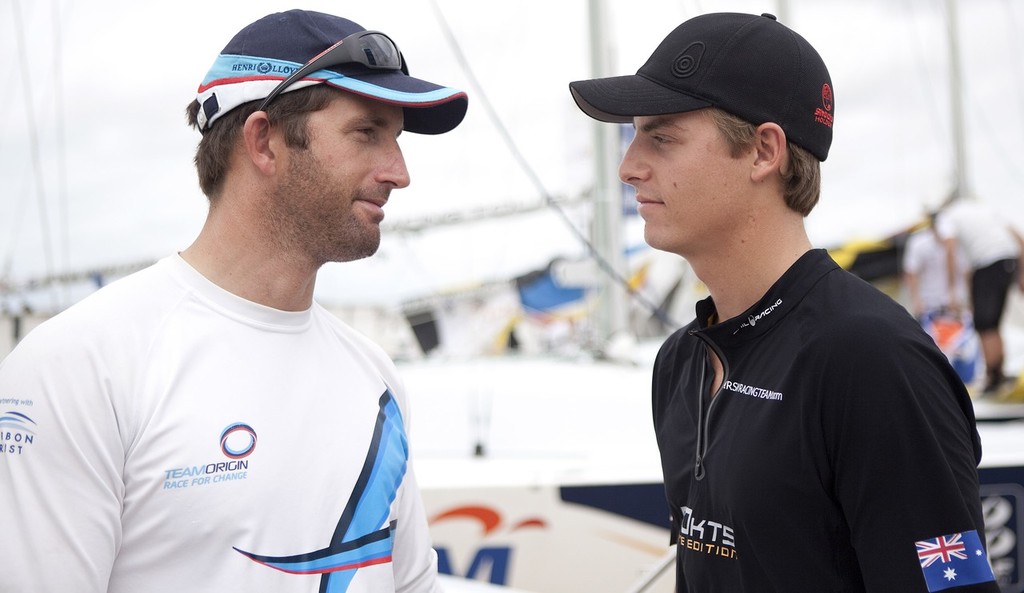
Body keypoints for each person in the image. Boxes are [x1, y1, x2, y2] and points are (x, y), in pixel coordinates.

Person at [0, 10, 467, 593]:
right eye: (367, 132)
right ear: (264, 142)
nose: (398, 173)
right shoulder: (78, 366)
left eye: (395, 140)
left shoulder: (373, 375)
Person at [569, 12, 998, 592]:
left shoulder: (870, 361)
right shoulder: (681, 363)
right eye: (633, 136)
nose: (628, 167)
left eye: (661, 137)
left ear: (763, 151)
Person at [934, 196, 1024, 394]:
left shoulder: (946, 216)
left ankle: (994, 379)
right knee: (993, 321)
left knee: (984, 324)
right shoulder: (983, 209)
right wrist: (1022, 273)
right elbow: (1018, 237)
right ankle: (1000, 373)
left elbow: (949, 250)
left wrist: (950, 289)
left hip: (987, 263)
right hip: (1009, 259)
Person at [902, 213, 979, 384]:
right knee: (935, 351)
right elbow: (911, 273)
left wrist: (968, 301)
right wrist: (916, 301)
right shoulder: (918, 243)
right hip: (930, 306)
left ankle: (965, 383)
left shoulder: (959, 245)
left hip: (957, 308)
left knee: (962, 350)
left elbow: (967, 273)